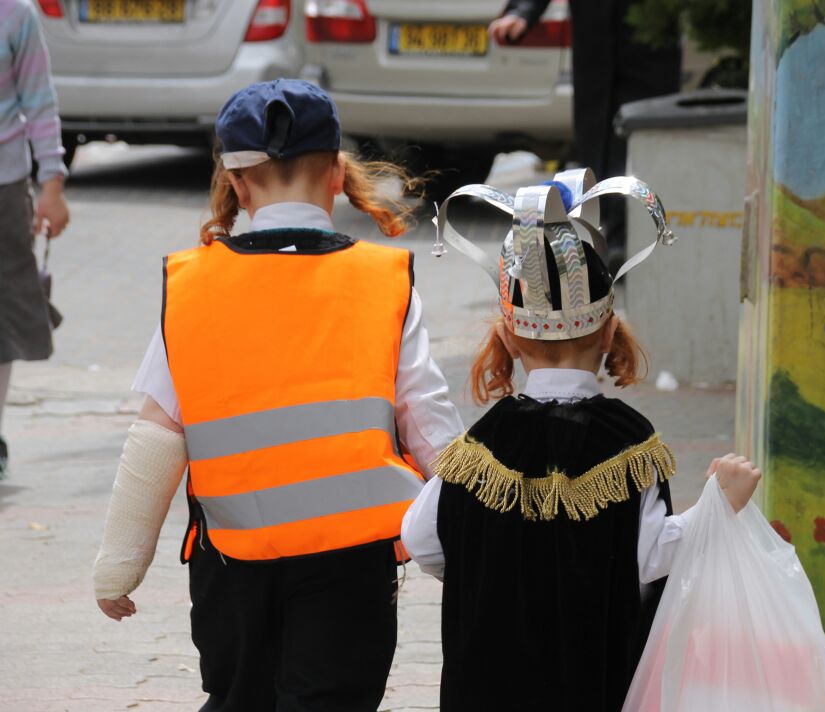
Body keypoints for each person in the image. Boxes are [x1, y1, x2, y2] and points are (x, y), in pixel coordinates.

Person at [91, 79, 463, 711]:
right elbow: (429, 426)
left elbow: (157, 436)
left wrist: (118, 567)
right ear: (338, 175)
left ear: (237, 184)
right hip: (351, 568)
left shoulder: (193, 288)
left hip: (231, 568)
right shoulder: (383, 284)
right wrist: (471, 540)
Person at [402, 173, 761, 711]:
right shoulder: (630, 443)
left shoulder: (480, 445)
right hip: (588, 683)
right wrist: (717, 508)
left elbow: (422, 537)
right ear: (612, 332)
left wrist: (494, 569)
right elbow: (650, 561)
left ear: (505, 339)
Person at [489, 0, 680, 260]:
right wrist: (521, 11)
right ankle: (602, 242)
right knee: (595, 150)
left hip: (649, 50)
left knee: (642, 152)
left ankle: (637, 240)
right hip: (596, 54)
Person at [0, 0, 71, 479]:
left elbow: (38, 102)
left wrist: (52, 187)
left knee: (2, 319)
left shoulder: (16, 14)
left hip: (4, 187)